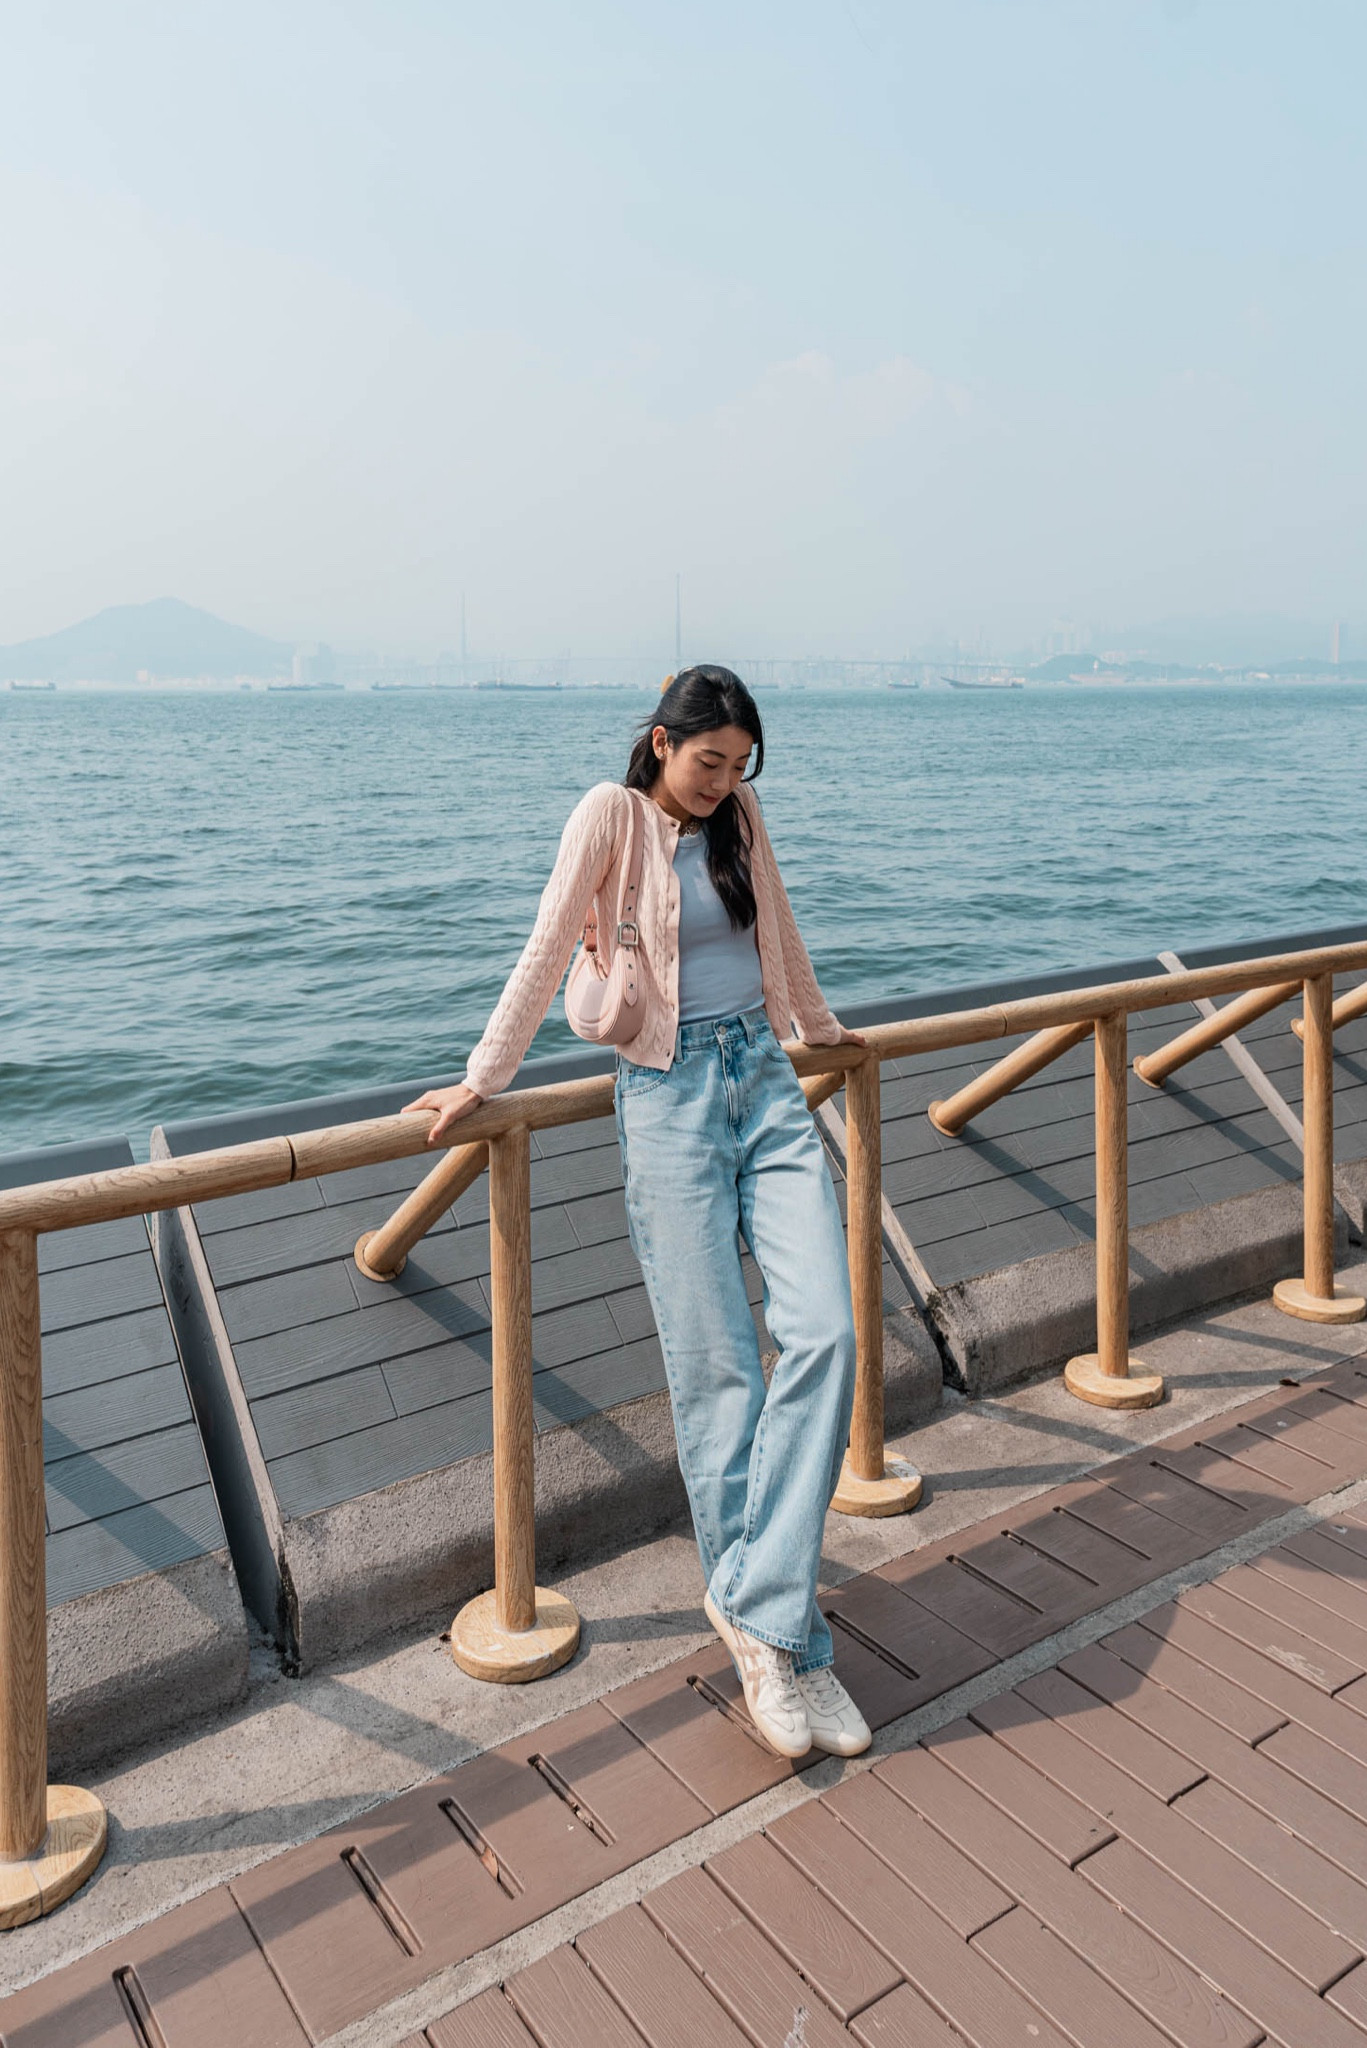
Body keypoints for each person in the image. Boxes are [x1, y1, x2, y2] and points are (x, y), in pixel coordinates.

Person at [405, 665, 871, 1759]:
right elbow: (543, 944)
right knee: (719, 1373)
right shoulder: (608, 816)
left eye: (740, 765)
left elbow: (778, 931)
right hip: (666, 1097)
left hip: (764, 1080)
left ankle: (753, 1609)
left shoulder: (740, 817)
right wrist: (482, 1078)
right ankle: (789, 1650)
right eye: (708, 760)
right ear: (662, 742)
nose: (723, 781)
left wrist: (819, 1028)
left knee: (828, 1334)